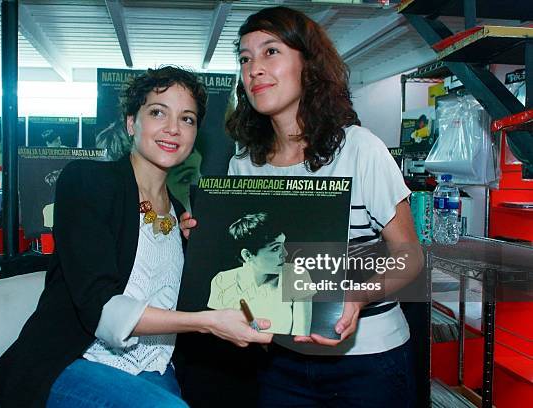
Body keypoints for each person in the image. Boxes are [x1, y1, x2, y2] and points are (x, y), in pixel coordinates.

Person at [0, 66, 272, 408]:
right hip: (73, 362)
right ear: (132, 123)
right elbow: (102, 309)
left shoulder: (180, 215)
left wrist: (201, 258)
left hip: (154, 366)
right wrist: (206, 323)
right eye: (158, 112)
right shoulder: (90, 181)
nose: (173, 129)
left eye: (187, 119)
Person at [180, 7, 423, 408]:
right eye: (245, 58)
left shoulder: (360, 149)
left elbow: (410, 258)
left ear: (307, 65)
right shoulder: (245, 163)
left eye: (270, 52)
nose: (254, 68)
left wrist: (359, 296)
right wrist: (207, 242)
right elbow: (249, 274)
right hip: (281, 362)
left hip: (368, 361)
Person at [207, 212, 314, 335]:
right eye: (275, 248)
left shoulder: (297, 275)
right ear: (247, 255)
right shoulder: (222, 281)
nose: (285, 253)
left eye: (283, 245)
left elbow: (300, 337)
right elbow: (218, 335)